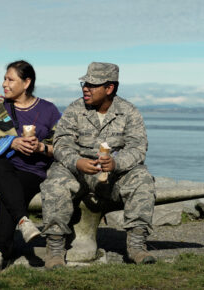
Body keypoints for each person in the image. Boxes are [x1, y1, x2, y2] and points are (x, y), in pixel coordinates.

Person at [41, 62, 156, 269]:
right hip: (78, 173)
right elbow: (61, 143)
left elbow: (138, 148)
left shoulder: (128, 112)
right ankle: (55, 250)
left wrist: (116, 163)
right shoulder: (75, 109)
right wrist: (77, 162)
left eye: (92, 84)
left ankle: (137, 246)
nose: (86, 88)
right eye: (85, 83)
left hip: (112, 176)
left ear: (109, 88)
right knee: (55, 182)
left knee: (142, 178)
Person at [0, 60, 61, 273]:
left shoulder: (48, 110)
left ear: (26, 82)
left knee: (11, 191)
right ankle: (23, 221)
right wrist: (11, 142)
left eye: (10, 79)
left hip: (30, 171)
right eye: (4, 79)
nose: (4, 84)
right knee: (0, 166)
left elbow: (61, 146)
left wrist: (40, 147)